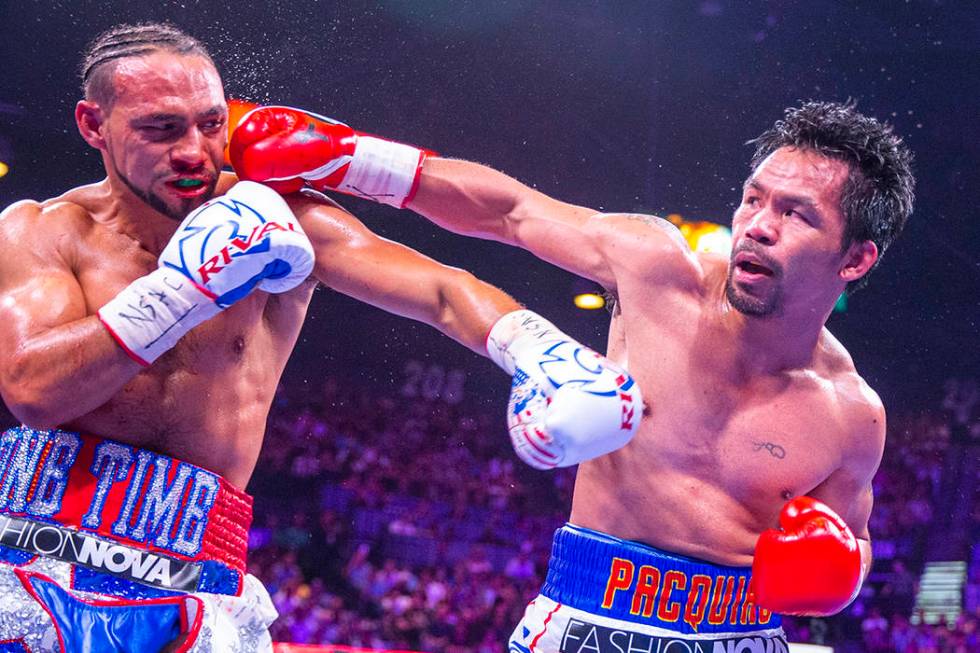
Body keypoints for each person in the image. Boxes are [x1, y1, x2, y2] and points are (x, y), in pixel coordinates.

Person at [0, 23, 641, 653]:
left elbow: (442, 292)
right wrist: (183, 288)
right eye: (161, 128)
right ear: (93, 125)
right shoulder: (41, 232)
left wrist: (541, 351)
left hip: (196, 570)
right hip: (36, 554)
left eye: (211, 123)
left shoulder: (277, 211)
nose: (194, 150)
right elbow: (33, 389)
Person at [232, 99, 915, 651]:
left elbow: (844, 546)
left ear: (855, 259)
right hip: (584, 619)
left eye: (795, 214)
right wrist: (351, 158)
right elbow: (510, 209)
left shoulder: (853, 414)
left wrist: (838, 567)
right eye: (754, 199)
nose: (757, 227)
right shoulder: (658, 271)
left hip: (738, 635)